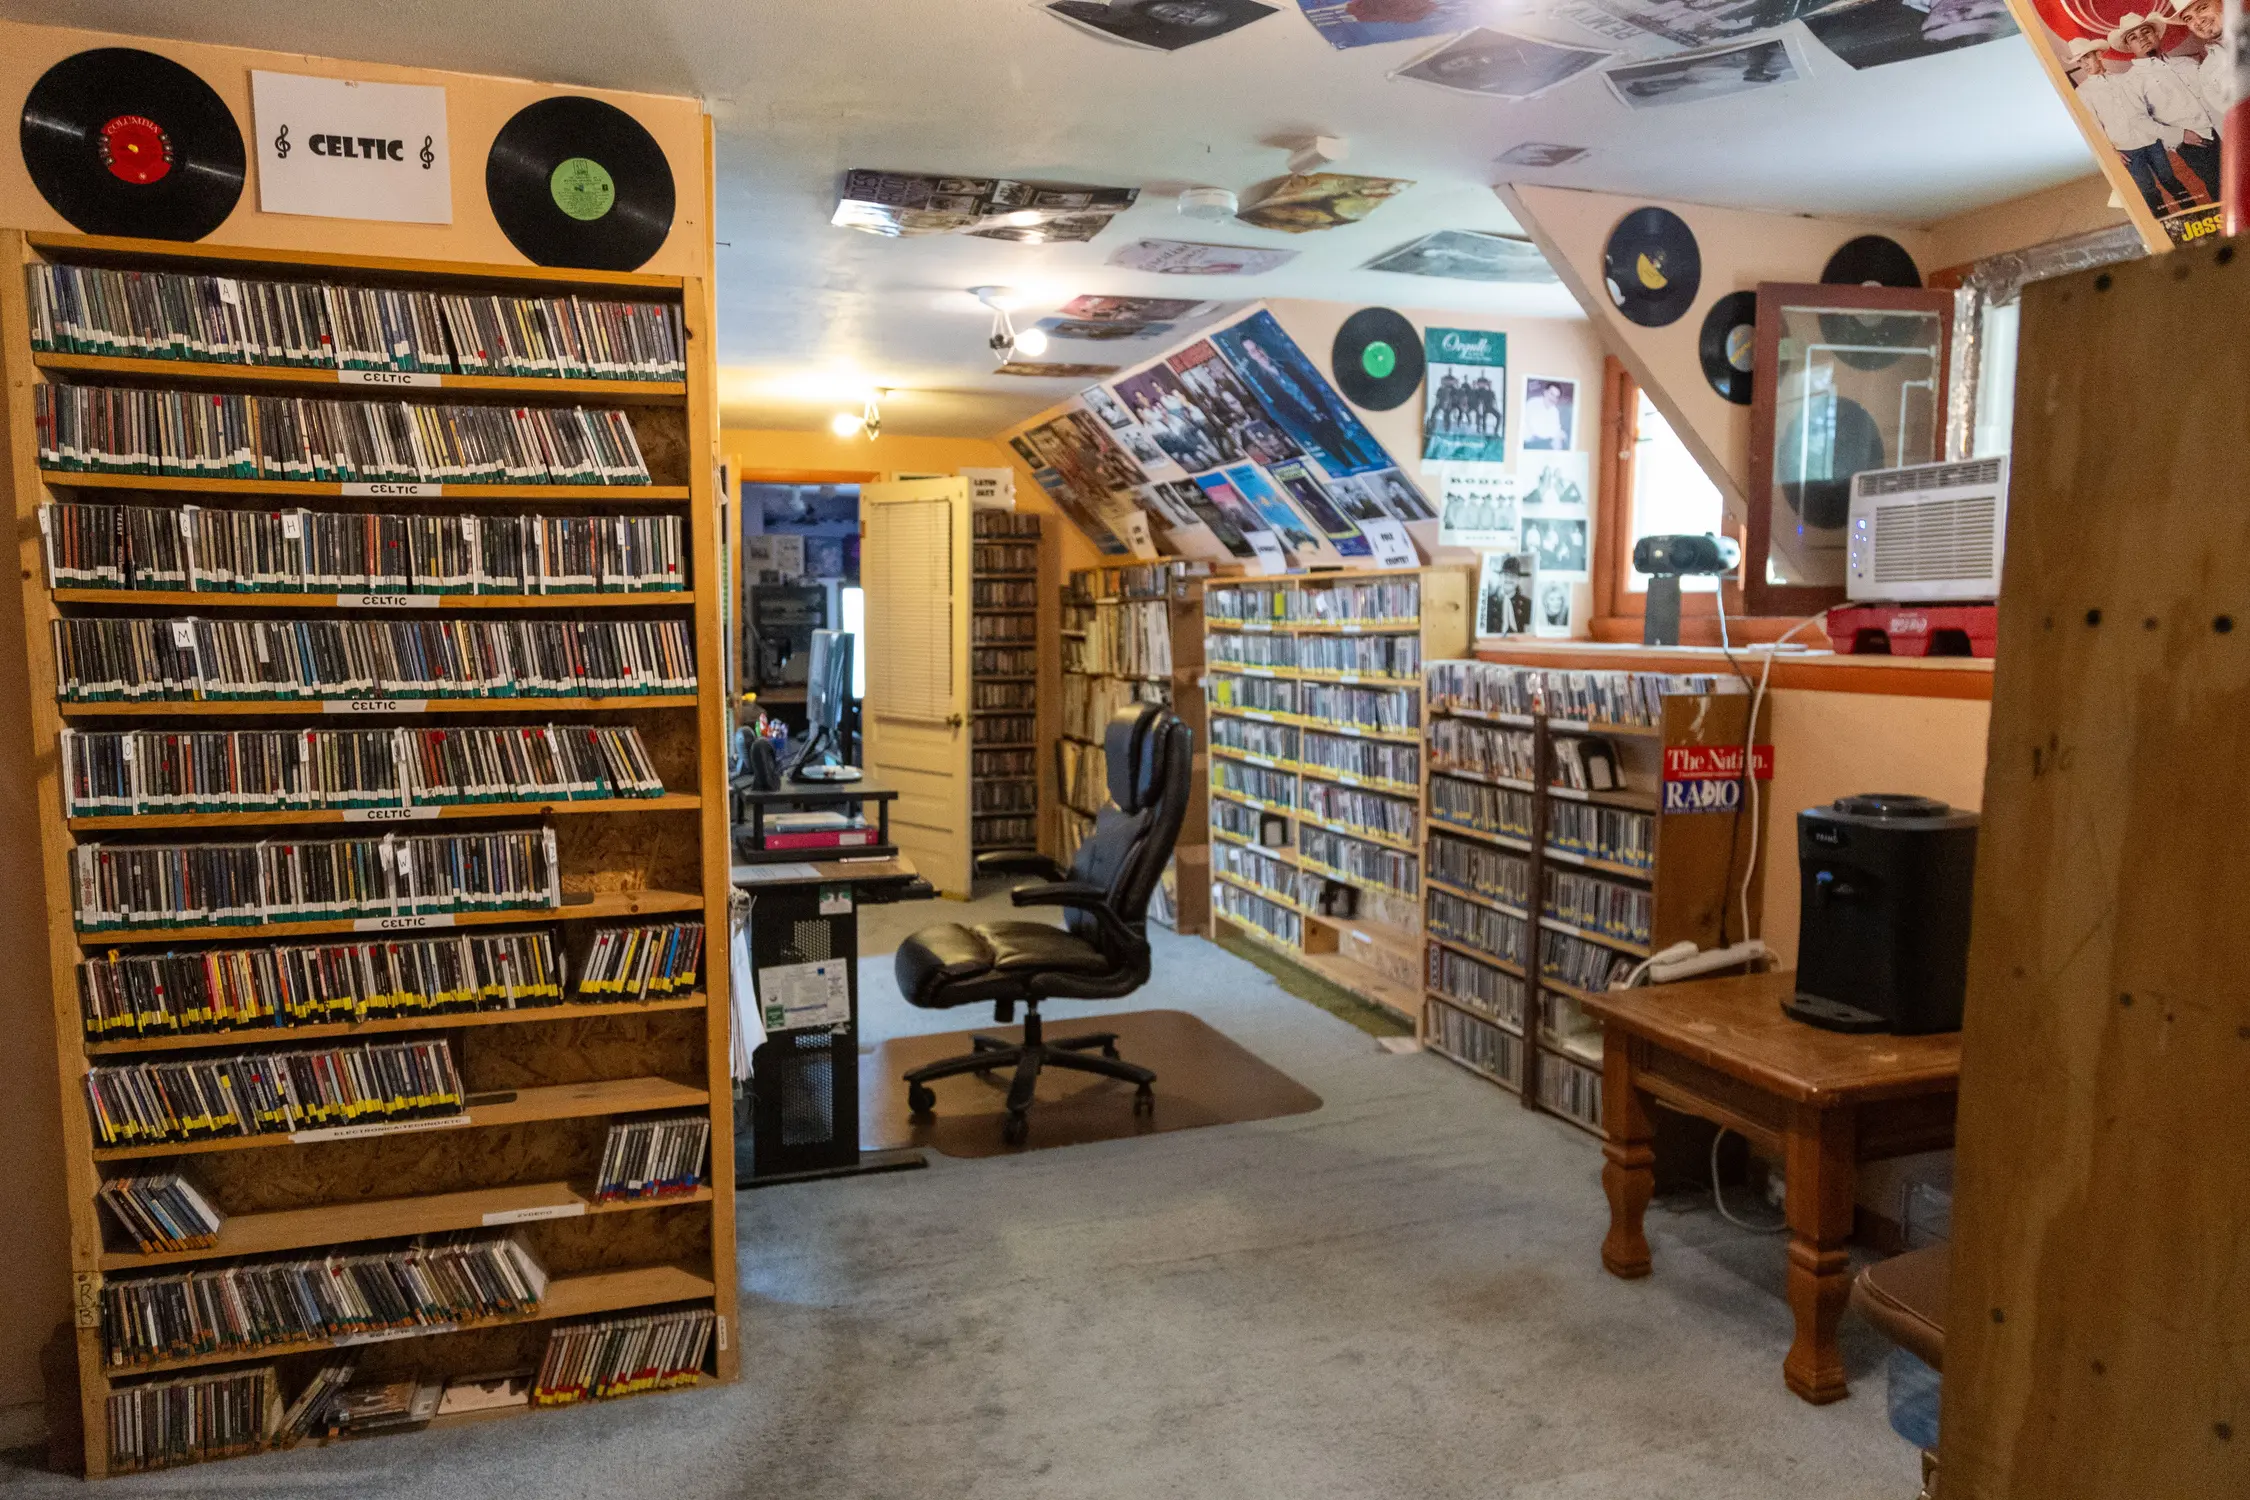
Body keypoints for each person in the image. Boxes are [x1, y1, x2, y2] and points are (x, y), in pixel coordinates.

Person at [2069, 35, 2194, 216]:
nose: (2085, 64)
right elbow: (2094, 126)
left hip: (2151, 140)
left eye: (2087, 58)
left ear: (2098, 54)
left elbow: (2146, 108)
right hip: (2126, 149)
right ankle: (2167, 226)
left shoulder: (2124, 79)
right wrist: (2111, 152)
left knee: (2169, 179)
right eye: (2080, 62)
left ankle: (2195, 214)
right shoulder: (2083, 92)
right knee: (2148, 190)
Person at [2110, 12, 2219, 201]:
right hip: (2194, 142)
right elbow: (2138, 120)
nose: (2142, 38)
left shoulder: (2186, 63)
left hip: (2222, 129)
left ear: (2157, 34)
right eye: (2133, 38)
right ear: (2129, 47)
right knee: (2220, 186)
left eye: (2146, 32)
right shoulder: (2130, 82)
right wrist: (2181, 135)